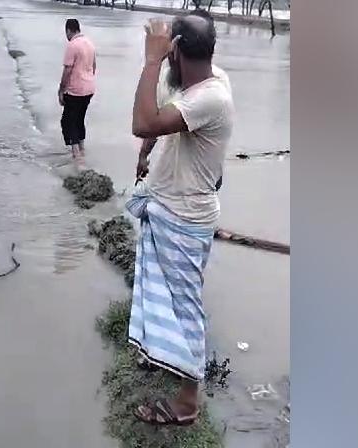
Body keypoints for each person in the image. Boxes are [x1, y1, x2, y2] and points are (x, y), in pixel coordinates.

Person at [128, 10, 234, 426]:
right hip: (172, 208)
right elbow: (166, 112)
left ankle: (188, 404)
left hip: (185, 219)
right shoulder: (203, 81)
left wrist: (150, 59)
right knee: (163, 297)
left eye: (167, 47)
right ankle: (163, 358)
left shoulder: (211, 96)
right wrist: (146, 151)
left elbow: (142, 121)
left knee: (184, 306)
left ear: (174, 51)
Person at [57, 19, 96, 159]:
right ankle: (82, 148)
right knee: (79, 119)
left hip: (75, 90)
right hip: (89, 89)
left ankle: (76, 154)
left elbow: (67, 70)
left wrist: (61, 90)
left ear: (69, 30)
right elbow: (94, 66)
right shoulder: (89, 43)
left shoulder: (72, 45)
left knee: (68, 121)